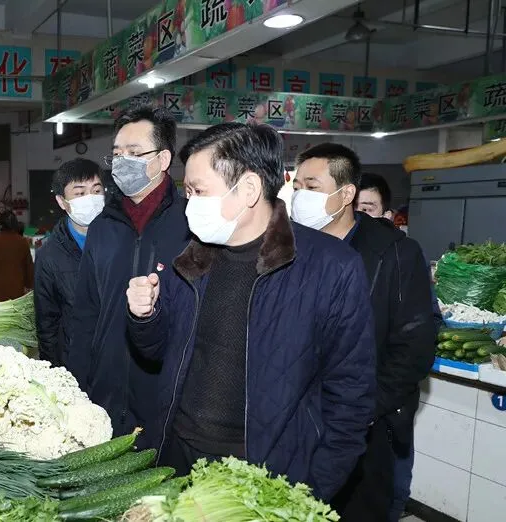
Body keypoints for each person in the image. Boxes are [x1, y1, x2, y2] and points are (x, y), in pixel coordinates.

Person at [124, 123, 376, 500]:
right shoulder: (190, 257)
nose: (189, 203)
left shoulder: (331, 267)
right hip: (178, 455)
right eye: (187, 191)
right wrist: (145, 317)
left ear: (248, 189)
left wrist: (311, 491)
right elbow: (157, 354)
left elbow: (351, 396)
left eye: (199, 191)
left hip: (267, 472)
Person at [292, 143, 436, 521]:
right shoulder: (289, 247)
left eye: (312, 186)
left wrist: (361, 409)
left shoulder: (394, 252)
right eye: (297, 187)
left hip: (365, 428)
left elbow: (415, 346)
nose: (299, 196)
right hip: (296, 421)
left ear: (347, 194)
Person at [67, 105, 190, 447]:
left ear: (163, 159)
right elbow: (85, 314)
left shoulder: (190, 225)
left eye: (134, 153)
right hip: (103, 394)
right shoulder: (103, 227)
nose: (122, 162)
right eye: (117, 153)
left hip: (164, 398)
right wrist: (77, 387)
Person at [35, 158, 105, 367]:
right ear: (62, 201)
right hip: (75, 361)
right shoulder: (49, 255)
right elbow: (47, 323)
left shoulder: (122, 241)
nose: (90, 199)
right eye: (80, 193)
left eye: (96, 190)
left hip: (115, 362)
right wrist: (54, 372)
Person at [0, 210, 33, 303]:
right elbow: (28, 265)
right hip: (17, 287)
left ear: (0, 224)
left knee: (0, 315)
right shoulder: (23, 241)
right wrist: (29, 285)